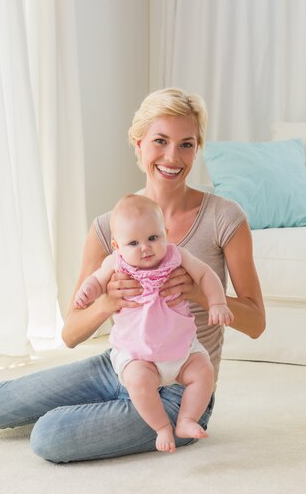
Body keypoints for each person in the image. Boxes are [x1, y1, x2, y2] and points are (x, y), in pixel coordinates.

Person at [0, 87, 265, 463]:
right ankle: (110, 404)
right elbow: (71, 333)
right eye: (160, 141)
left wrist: (197, 293)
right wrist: (108, 302)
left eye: (186, 144)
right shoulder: (109, 228)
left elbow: (256, 323)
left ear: (197, 148)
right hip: (123, 364)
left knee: (49, 435)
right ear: (138, 144)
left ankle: (152, 421)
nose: (173, 157)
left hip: (181, 386)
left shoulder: (225, 218)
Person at [74, 193, 233, 453]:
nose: (145, 248)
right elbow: (96, 280)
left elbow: (207, 275)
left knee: (203, 371)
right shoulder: (115, 264)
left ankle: (186, 419)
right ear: (117, 246)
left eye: (153, 238)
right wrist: (87, 293)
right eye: (133, 243)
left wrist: (217, 303)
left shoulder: (177, 256)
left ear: (166, 233)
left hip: (182, 350)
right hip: (139, 355)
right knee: (137, 381)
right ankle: (161, 427)